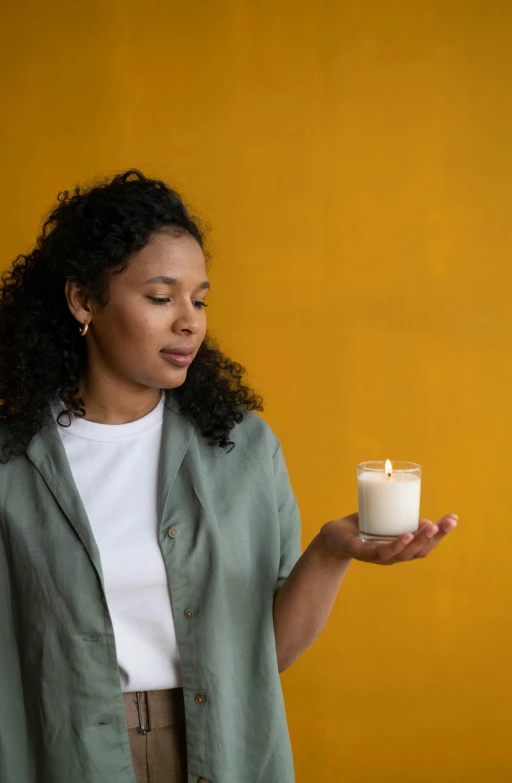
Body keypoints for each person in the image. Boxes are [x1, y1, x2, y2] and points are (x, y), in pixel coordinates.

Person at [0, 169, 458, 783]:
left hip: (222, 750)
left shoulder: (242, 446)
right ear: (84, 300)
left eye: (200, 299)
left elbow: (264, 658)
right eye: (161, 298)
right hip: (56, 751)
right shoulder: (13, 461)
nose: (189, 321)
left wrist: (330, 552)